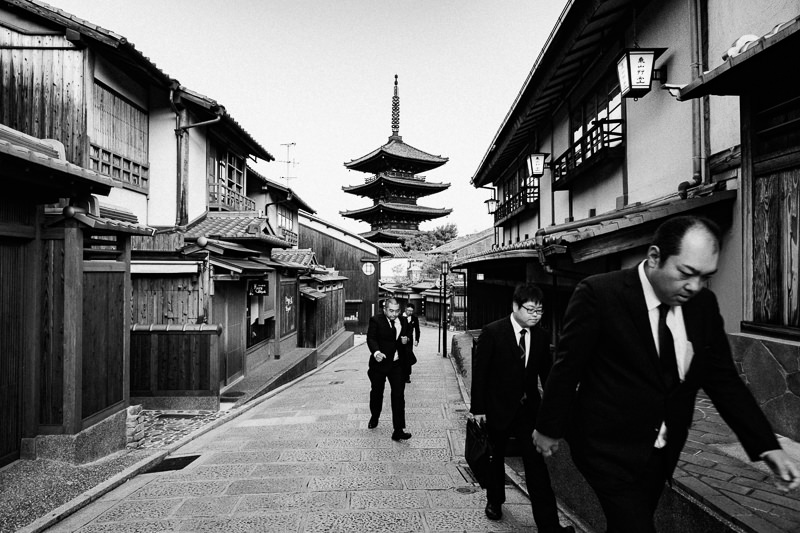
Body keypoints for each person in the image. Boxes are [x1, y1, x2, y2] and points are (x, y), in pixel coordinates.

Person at [533, 215, 800, 533]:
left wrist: (767, 446)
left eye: (705, 277)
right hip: (605, 448)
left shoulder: (703, 305)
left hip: (662, 451)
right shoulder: (599, 294)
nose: (694, 286)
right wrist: (548, 427)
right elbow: (568, 366)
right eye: (686, 273)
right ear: (655, 257)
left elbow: (724, 380)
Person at [471, 283, 574, 533]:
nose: (535, 316)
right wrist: (478, 409)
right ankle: (495, 501)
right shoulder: (493, 332)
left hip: (528, 410)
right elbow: (480, 373)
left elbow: (547, 376)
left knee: (537, 466)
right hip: (497, 408)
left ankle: (549, 526)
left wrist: (554, 410)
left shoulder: (541, 336)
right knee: (495, 458)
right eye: (530, 310)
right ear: (515, 306)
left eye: (539, 311)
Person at [367, 298, 412, 441]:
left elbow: (408, 336)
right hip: (379, 363)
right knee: (377, 393)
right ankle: (375, 416)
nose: (394, 314)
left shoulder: (403, 321)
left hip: (396, 364)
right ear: (385, 309)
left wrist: (406, 340)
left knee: (398, 396)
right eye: (391, 311)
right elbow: (371, 338)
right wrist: (376, 352)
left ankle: (398, 430)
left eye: (397, 311)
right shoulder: (376, 320)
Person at [402, 303, 421, 383]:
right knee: (401, 356)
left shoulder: (414, 318)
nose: (410, 312)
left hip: (409, 340)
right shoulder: (399, 317)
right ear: (405, 309)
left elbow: (417, 329)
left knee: (408, 356)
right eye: (408, 310)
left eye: (411, 311)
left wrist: (417, 340)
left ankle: (407, 376)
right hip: (400, 339)